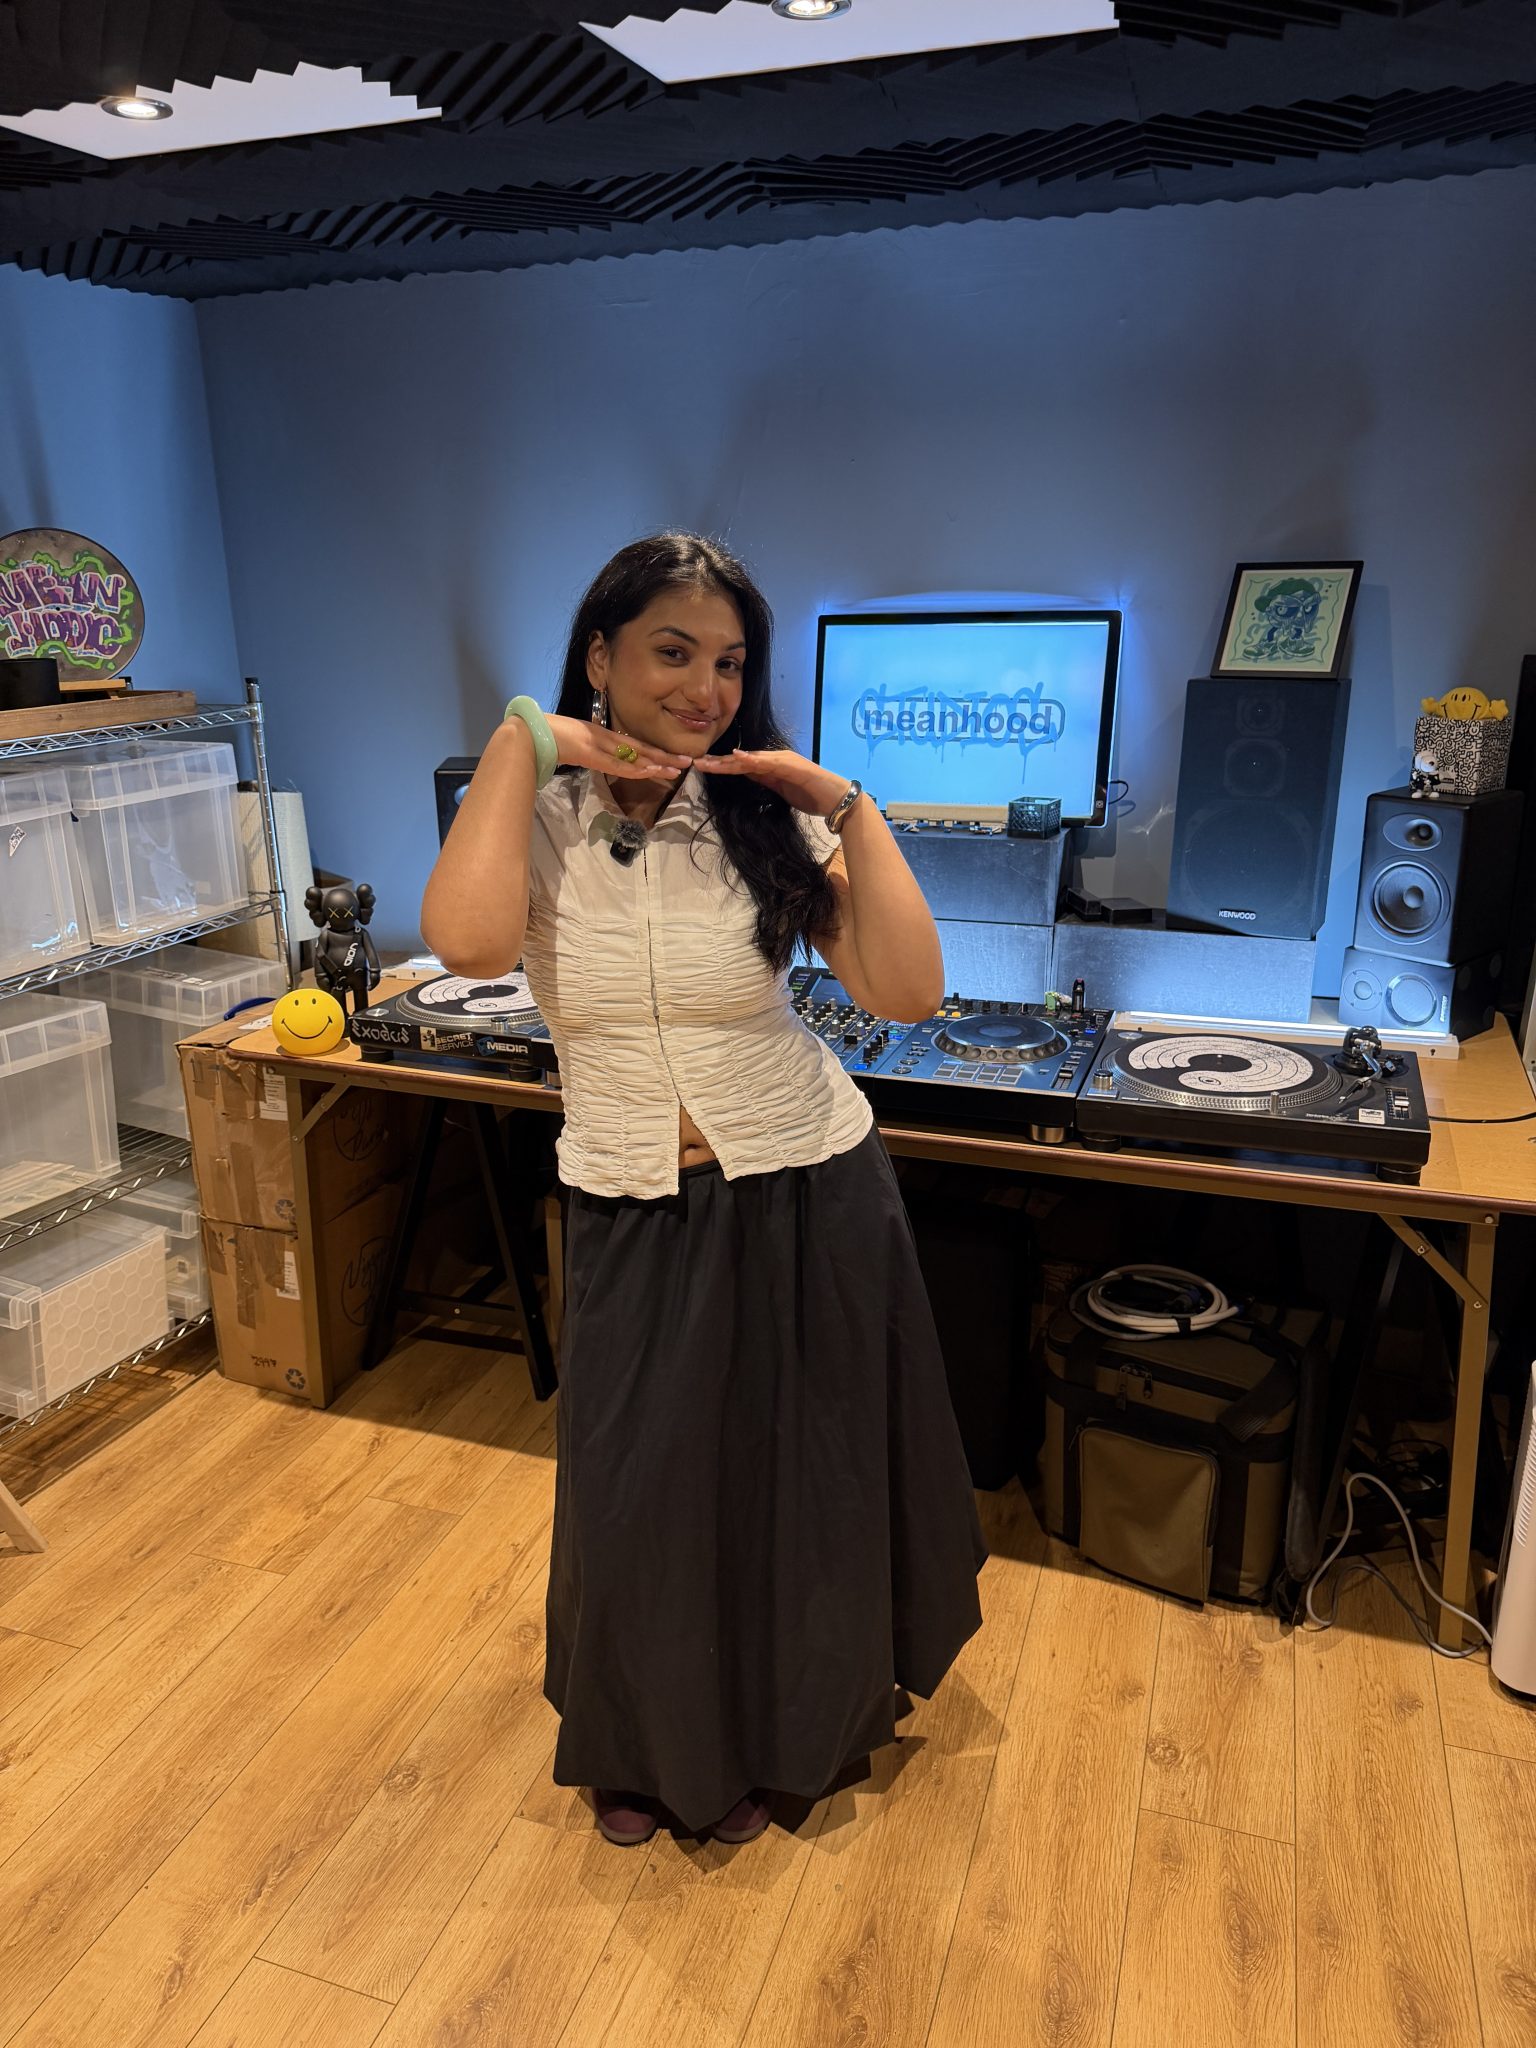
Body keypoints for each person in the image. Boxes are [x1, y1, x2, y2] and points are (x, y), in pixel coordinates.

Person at [422, 533, 986, 1848]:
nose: (706, 688)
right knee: (640, 1494)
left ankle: (790, 1733)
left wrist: (850, 806)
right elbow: (470, 942)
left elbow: (908, 991)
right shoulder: (540, 820)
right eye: (672, 652)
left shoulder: (763, 819)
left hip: (809, 1185)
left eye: (729, 663)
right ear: (600, 656)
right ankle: (650, 1743)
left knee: (797, 1487)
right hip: (631, 1196)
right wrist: (521, 740)